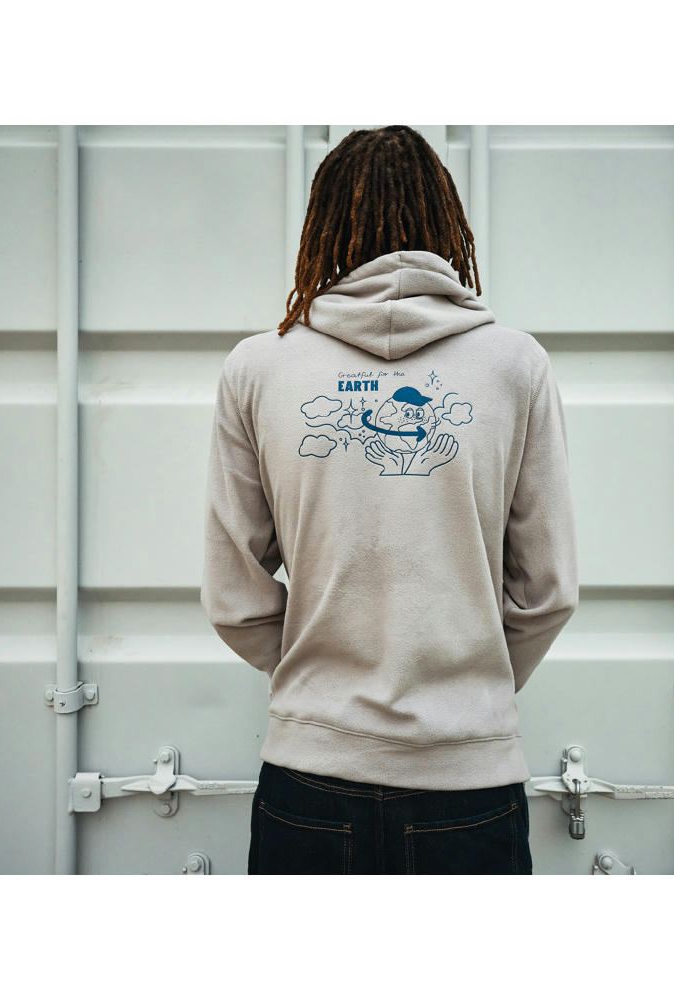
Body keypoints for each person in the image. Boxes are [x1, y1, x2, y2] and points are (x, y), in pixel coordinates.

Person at [201, 125, 579, 875]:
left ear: (323, 225)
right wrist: (465, 698)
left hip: (307, 785)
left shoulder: (259, 368)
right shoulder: (515, 365)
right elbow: (547, 591)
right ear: (445, 222)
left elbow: (234, 598)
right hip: (470, 789)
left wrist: (324, 692)